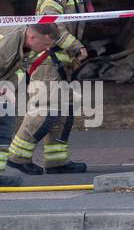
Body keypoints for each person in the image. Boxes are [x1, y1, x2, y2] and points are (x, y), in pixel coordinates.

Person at [6, 19, 86, 175]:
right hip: (47, 60)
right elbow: (49, 23)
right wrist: (75, 46)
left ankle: (56, 161)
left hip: (59, 60)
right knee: (45, 109)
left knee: (64, 111)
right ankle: (17, 157)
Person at [0, 23, 60, 184]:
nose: (46, 50)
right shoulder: (9, 44)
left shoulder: (23, 44)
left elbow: (11, 71)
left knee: (5, 127)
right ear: (32, 37)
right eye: (45, 44)